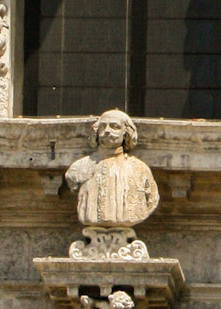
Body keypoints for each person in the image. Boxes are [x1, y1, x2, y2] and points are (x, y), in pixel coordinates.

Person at [65, 107, 159, 255]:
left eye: (115, 127)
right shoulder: (79, 169)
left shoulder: (140, 170)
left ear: (126, 133)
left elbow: (151, 199)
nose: (107, 131)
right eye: (103, 126)